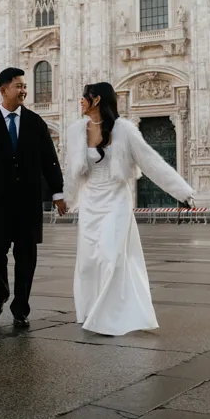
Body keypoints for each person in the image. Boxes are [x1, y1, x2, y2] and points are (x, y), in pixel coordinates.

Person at [64, 83, 195, 336]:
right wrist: (65, 199)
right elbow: (72, 172)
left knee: (111, 255)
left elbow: (151, 162)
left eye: (84, 96)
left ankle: (109, 317)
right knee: (89, 262)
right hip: (90, 201)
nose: (80, 100)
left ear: (97, 99)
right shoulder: (76, 131)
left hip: (116, 199)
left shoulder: (124, 130)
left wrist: (182, 191)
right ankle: (91, 310)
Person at [0, 67, 66, 328]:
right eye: (19, 86)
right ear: (3, 89)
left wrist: (58, 192)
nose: (23, 91)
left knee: (26, 256)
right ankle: (0, 290)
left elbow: (49, 160)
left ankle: (21, 308)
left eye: (24, 86)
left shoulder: (35, 122)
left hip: (28, 202)